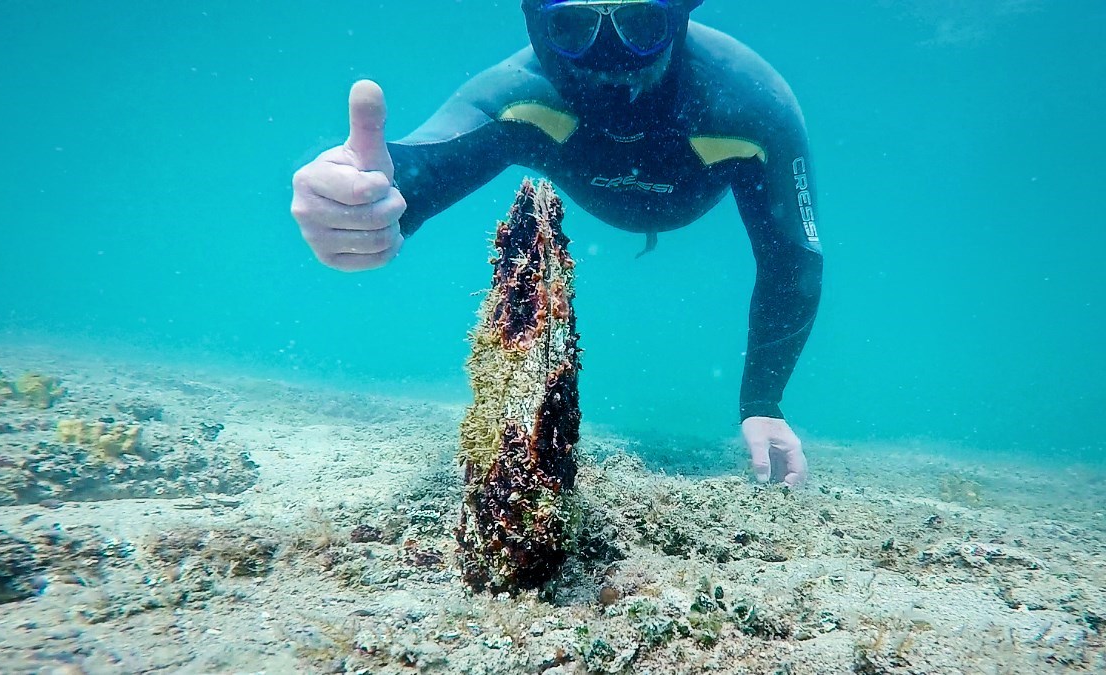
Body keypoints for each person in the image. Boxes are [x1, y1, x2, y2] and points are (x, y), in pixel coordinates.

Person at [290, 0, 822, 486]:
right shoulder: (521, 94)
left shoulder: (752, 103)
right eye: (572, 26)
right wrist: (362, 202)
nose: (610, 58)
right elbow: (415, 170)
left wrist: (763, 402)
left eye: (641, 24)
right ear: (534, 19)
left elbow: (792, 259)